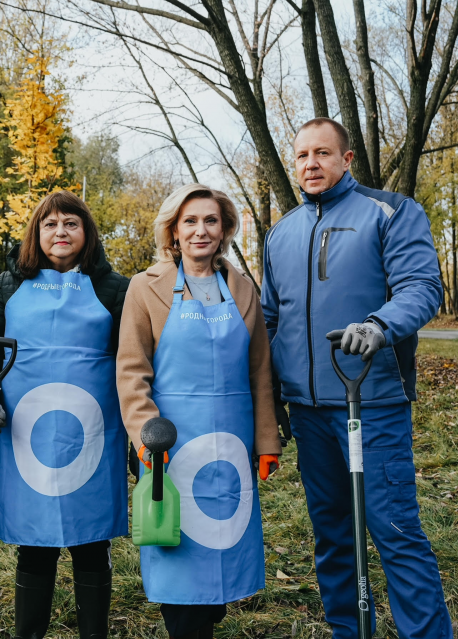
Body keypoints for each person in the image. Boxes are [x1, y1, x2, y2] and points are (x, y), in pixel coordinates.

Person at [261, 118, 451, 639]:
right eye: (302, 156)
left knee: (393, 529)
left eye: (323, 153)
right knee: (332, 534)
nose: (311, 164)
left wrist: (379, 325)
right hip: (308, 409)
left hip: (372, 401)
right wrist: (272, 398)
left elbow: (420, 286)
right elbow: (270, 320)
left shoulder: (391, 212)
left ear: (347, 160)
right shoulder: (281, 233)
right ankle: (349, 629)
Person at [117, 184, 282, 639]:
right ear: (173, 231)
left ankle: (209, 610)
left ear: (226, 229)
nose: (200, 230)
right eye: (190, 221)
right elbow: (132, 372)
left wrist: (267, 440)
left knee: (222, 544)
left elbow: (260, 373)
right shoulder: (144, 288)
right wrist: (146, 437)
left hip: (230, 448)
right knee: (179, 556)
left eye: (211, 220)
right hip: (168, 448)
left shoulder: (244, 290)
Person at [0, 191, 129, 639]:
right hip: (26, 434)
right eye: (50, 224)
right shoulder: (9, 285)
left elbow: (135, 357)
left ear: (87, 232)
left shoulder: (114, 288)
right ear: (36, 234)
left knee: (91, 542)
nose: (60, 232)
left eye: (71, 224)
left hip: (94, 434)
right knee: (35, 543)